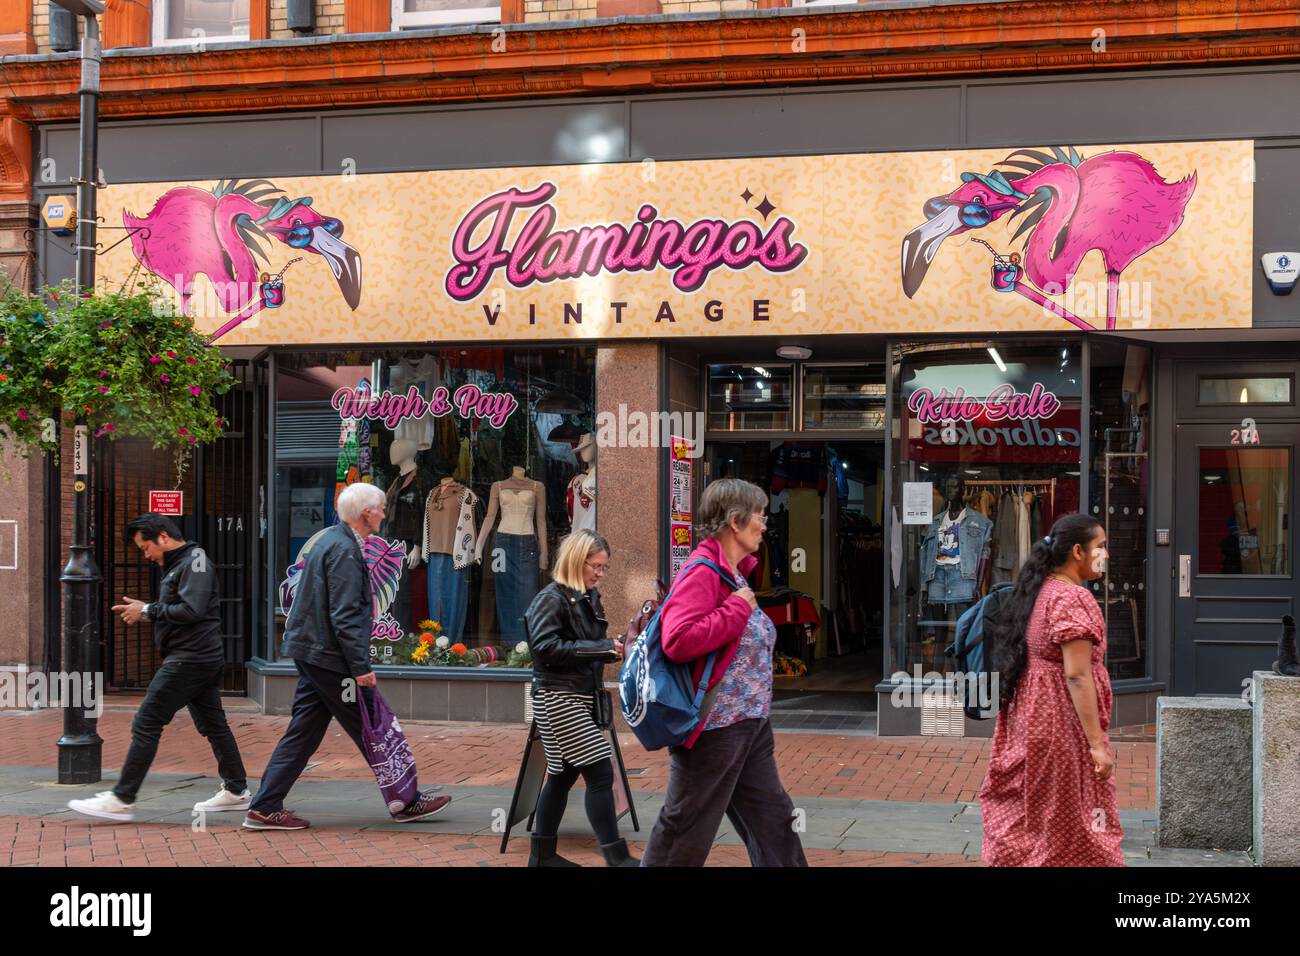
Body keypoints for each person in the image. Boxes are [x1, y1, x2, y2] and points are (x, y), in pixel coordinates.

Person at [244, 482, 449, 830]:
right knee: (370, 725)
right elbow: (345, 615)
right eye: (382, 507)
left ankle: (264, 806)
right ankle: (407, 800)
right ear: (367, 513)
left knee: (305, 730)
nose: (385, 513)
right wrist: (360, 669)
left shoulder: (332, 541)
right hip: (329, 658)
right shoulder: (344, 551)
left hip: (314, 652)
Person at [641, 478, 807, 867]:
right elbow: (677, 640)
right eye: (760, 516)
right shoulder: (702, 571)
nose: (765, 524)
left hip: (748, 724)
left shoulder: (735, 573)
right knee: (684, 829)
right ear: (735, 521)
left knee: (774, 823)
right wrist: (735, 610)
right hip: (714, 728)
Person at [68, 514, 251, 822]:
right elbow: (182, 607)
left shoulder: (195, 562)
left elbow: (191, 610)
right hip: (198, 657)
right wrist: (146, 610)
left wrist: (148, 610)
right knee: (214, 726)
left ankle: (122, 798)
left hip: (190, 659)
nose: (147, 555)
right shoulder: (182, 564)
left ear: (163, 538)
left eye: (145, 547)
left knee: (146, 721)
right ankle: (236, 791)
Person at [979, 513, 1124, 866]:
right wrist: (1096, 745)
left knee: (1036, 810)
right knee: (1075, 815)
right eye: (1101, 547)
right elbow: (1077, 675)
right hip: (1060, 722)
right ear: (1078, 551)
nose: (1105, 554)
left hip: (1031, 718)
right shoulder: (1073, 598)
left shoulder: (1040, 591)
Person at [523, 529, 635, 867]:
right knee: (601, 773)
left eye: (604, 568)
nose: (600, 574)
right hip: (559, 698)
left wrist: (609, 649)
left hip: (577, 696)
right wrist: (600, 648)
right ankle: (616, 858)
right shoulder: (551, 598)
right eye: (596, 566)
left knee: (563, 775)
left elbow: (578, 647)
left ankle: (542, 856)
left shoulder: (587, 595)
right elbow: (543, 648)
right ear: (576, 560)